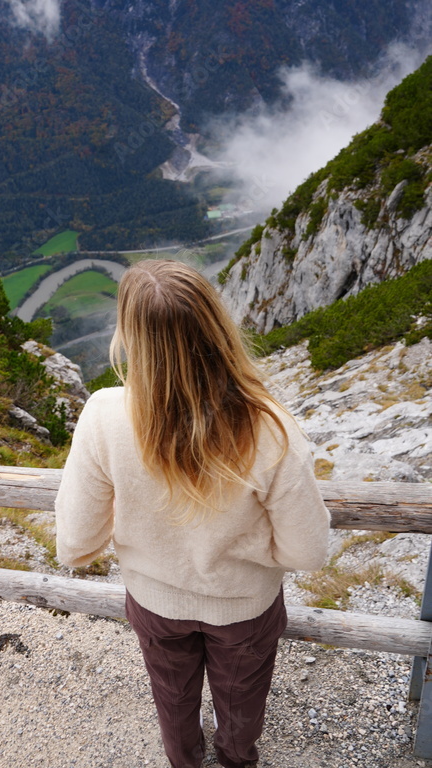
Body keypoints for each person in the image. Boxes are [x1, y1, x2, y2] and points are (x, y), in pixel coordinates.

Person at [54, 259, 331, 768]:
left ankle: (185, 760)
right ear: (217, 324)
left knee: (173, 696)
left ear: (130, 335)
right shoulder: (271, 428)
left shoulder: (103, 415)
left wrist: (140, 537)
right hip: (244, 605)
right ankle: (235, 758)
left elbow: (74, 545)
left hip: (155, 600)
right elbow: (309, 550)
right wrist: (245, 550)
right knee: (241, 699)